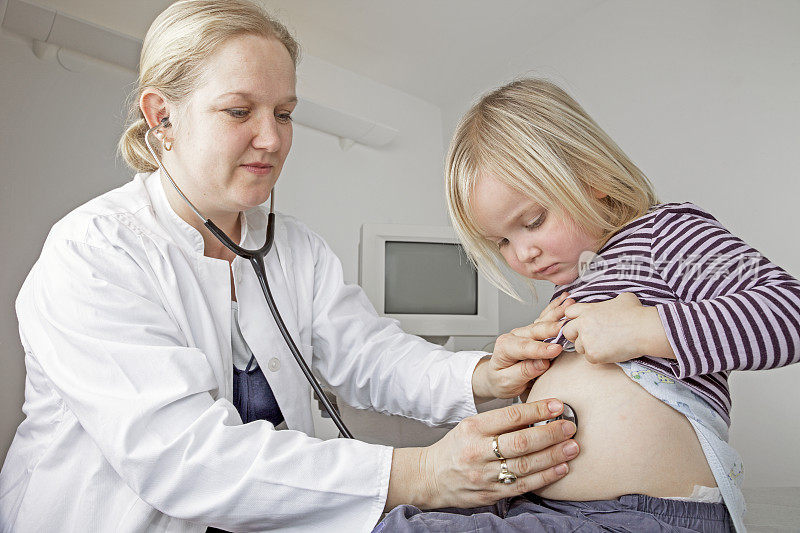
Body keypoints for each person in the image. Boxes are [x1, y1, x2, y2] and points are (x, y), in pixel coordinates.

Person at [0, 6, 581, 533]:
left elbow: (368, 354)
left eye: (284, 113)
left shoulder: (292, 247)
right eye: (238, 111)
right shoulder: (95, 251)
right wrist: (424, 474)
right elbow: (183, 458)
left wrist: (484, 375)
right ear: (162, 117)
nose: (272, 139)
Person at [378, 78, 800, 531]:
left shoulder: (665, 234)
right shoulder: (570, 295)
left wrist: (645, 329)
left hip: (641, 516)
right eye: (501, 241)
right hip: (536, 506)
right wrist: (528, 375)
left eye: (533, 221)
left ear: (591, 175)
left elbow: (788, 312)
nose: (523, 254)